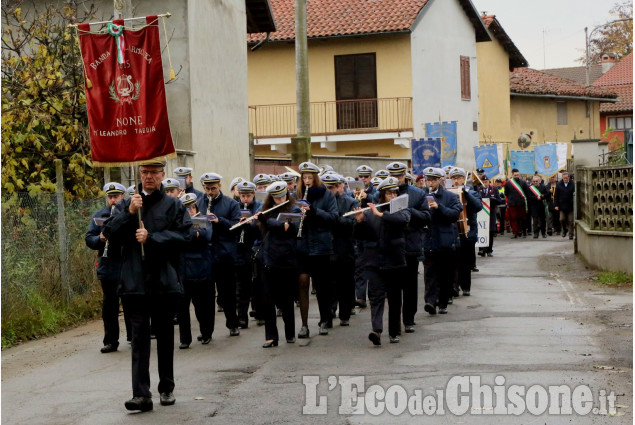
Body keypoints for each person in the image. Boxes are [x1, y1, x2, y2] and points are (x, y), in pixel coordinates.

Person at [103, 161, 191, 412]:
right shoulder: (126, 203)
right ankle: (141, 394)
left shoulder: (173, 204)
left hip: (163, 280)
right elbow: (109, 233)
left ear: (162, 175)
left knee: (164, 336)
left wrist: (152, 237)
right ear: (139, 175)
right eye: (144, 172)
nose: (149, 177)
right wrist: (129, 212)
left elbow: (185, 236)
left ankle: (166, 387)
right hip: (135, 281)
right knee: (139, 338)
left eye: (154, 173)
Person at [353, 177, 411, 345]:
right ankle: (376, 331)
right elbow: (361, 236)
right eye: (388, 193)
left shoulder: (402, 210)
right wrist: (359, 221)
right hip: (375, 260)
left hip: (395, 260)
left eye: (394, 193)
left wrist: (382, 214)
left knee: (394, 298)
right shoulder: (371, 211)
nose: (392, 196)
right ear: (382, 195)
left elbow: (403, 221)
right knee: (376, 297)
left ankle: (394, 332)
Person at [85, 182, 131, 353]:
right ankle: (111, 341)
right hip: (108, 265)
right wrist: (100, 239)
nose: (113, 201)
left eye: (116, 197)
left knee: (129, 303)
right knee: (109, 306)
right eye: (110, 197)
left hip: (126, 263)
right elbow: (89, 238)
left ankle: (133, 336)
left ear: (122, 198)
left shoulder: (129, 214)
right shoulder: (100, 216)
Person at [295, 161, 338, 337]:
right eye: (304, 177)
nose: (307, 181)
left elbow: (333, 217)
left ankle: (324, 320)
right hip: (302, 245)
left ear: (315, 178)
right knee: (303, 282)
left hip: (321, 246)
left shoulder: (327, 195)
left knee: (321, 286)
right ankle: (304, 324)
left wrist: (313, 212)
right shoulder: (296, 195)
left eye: (310, 177)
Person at [387, 161, 430, 332]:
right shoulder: (385, 192)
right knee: (393, 286)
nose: (396, 179)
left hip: (410, 243)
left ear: (405, 175)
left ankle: (409, 319)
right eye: (393, 176)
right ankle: (394, 321)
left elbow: (427, 216)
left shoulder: (417, 194)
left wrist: (410, 211)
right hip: (391, 245)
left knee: (410, 285)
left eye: (399, 176)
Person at [196, 172, 242, 337]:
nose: (210, 192)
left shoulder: (230, 204)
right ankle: (206, 331)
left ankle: (233, 324)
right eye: (207, 189)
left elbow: (237, 226)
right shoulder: (198, 202)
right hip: (205, 256)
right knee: (205, 297)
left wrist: (219, 221)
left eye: (213, 188)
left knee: (227, 293)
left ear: (220, 186)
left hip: (224, 255)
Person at [257, 181, 302, 347]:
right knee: (268, 300)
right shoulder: (265, 211)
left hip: (287, 261)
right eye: (276, 197)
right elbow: (261, 230)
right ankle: (271, 337)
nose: (280, 199)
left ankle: (290, 333)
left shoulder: (294, 210)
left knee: (287, 300)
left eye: (282, 196)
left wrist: (267, 221)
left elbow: (289, 228)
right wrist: (252, 222)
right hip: (269, 261)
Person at [422, 167, 462, 315]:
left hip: (445, 241)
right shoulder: (423, 195)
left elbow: (454, 215)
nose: (430, 183)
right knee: (430, 274)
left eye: (433, 180)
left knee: (445, 275)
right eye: (428, 180)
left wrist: (439, 207)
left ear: (440, 180)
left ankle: (443, 302)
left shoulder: (450, 197)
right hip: (429, 240)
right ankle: (430, 302)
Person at [177, 193, 214, 349]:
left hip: (201, 269)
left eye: (191, 208)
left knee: (202, 306)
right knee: (182, 307)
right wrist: (193, 234)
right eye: (186, 209)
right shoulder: (178, 222)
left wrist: (189, 234)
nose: (189, 211)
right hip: (183, 269)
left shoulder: (204, 220)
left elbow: (206, 235)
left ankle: (206, 333)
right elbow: (176, 238)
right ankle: (185, 339)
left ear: (196, 207)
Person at [323, 174, 359, 326]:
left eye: (332, 187)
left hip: (345, 247)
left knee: (345, 283)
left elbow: (352, 224)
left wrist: (335, 218)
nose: (330, 190)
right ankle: (329, 312)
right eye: (327, 187)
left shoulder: (351, 202)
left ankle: (344, 314)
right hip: (327, 247)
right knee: (328, 284)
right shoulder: (322, 203)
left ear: (340, 187)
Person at [233, 181, 263, 329]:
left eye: (248, 196)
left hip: (256, 248)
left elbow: (261, 227)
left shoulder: (259, 207)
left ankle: (259, 311)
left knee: (257, 284)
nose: (245, 199)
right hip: (241, 250)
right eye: (242, 196)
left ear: (253, 194)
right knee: (242, 285)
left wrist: (250, 223)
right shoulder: (235, 207)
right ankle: (242, 316)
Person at [450, 168, 482, 298]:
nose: (456, 181)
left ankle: (466, 287)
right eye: (454, 178)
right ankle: (454, 287)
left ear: (463, 179)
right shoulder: (449, 193)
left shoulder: (472, 192)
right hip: (453, 231)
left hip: (468, 232)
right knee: (454, 261)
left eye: (458, 178)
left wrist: (465, 194)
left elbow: (478, 207)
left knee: (466, 262)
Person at [477, 176, 502, 256]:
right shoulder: (478, 190)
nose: (484, 184)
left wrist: (492, 199)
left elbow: (499, 201)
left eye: (486, 182)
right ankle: (481, 250)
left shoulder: (494, 189)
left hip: (490, 213)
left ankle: (489, 250)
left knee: (490, 232)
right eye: (483, 182)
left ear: (489, 182)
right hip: (480, 214)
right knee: (481, 230)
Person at [504, 169, 529, 238]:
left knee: (522, 218)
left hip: (521, 203)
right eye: (515, 175)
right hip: (512, 203)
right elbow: (506, 193)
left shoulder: (523, 182)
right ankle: (515, 232)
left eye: (517, 175)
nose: (516, 176)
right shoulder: (508, 183)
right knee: (513, 219)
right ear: (512, 174)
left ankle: (523, 232)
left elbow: (526, 192)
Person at [554, 171, 575, 240]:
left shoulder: (573, 184)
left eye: (566, 178)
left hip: (570, 205)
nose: (565, 179)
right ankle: (565, 229)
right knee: (562, 219)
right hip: (562, 206)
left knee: (571, 220)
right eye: (564, 178)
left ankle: (571, 234)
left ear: (569, 177)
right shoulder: (559, 184)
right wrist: (556, 205)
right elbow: (556, 196)